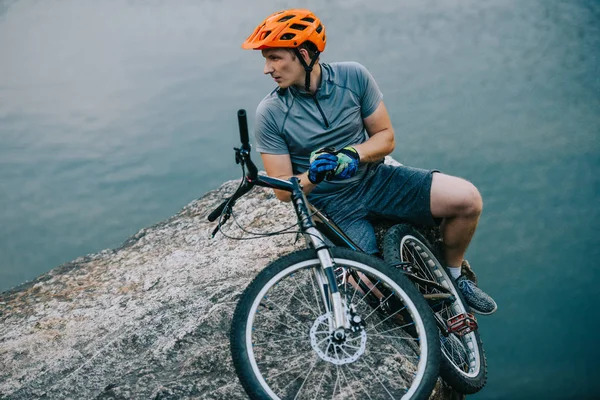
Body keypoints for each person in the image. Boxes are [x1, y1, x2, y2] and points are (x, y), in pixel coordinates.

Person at [242, 9, 497, 315]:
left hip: (377, 180)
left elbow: (385, 137)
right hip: (333, 206)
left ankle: (456, 280)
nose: (267, 69)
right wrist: (313, 175)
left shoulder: (354, 77)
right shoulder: (270, 113)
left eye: (275, 57)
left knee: (467, 200)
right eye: (266, 59)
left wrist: (354, 154)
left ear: (305, 54)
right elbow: (284, 190)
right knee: (371, 282)